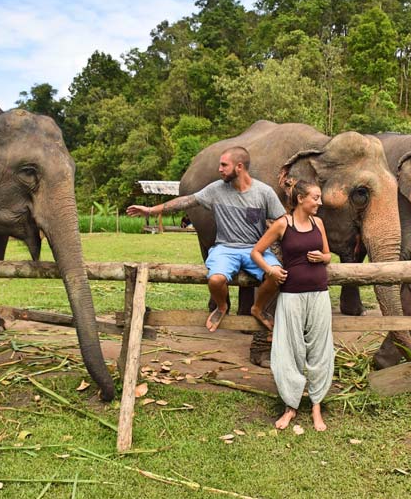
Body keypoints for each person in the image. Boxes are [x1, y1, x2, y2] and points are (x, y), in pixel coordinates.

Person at [127, 147, 285, 332]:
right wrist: (151, 210)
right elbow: (185, 201)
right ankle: (221, 307)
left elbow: (281, 221)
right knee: (216, 280)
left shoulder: (264, 192)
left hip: (255, 250)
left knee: (276, 275)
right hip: (225, 248)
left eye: (224, 165)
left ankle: (257, 308)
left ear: (239, 167)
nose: (220, 169)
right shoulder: (216, 189)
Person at [251, 179, 334, 432]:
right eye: (315, 198)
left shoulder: (318, 223)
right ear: (300, 199)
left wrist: (323, 257)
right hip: (291, 295)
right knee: (289, 350)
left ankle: (317, 405)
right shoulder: (282, 224)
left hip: (319, 294)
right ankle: (291, 405)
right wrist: (271, 270)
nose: (319, 202)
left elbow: (329, 255)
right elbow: (256, 252)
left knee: (321, 350)